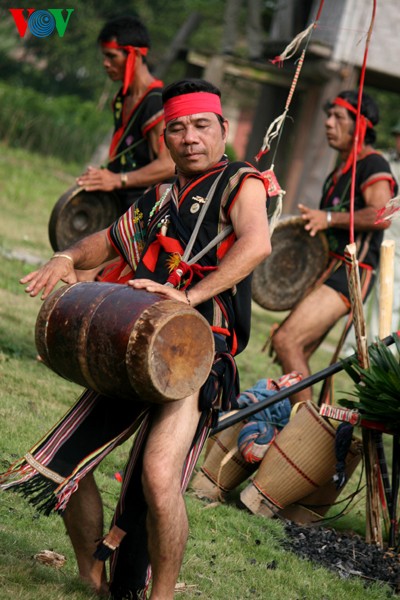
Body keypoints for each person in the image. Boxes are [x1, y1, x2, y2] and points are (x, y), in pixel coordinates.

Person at [1, 79, 271, 599]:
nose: (189, 137)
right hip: (137, 347)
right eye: (177, 127)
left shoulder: (243, 182)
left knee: (157, 475)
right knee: (66, 465)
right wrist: (64, 258)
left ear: (222, 130)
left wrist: (190, 298)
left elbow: (257, 244)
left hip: (197, 354)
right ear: (165, 137)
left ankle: (160, 595)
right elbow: (104, 242)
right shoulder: (160, 196)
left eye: (200, 126)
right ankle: (91, 576)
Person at [271, 90, 397, 405]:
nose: (328, 123)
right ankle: (312, 426)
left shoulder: (373, 163)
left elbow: (384, 215)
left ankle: (301, 427)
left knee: (287, 340)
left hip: (352, 271)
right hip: (328, 270)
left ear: (362, 124)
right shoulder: (337, 172)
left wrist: (328, 217)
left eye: (338, 117)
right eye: (329, 116)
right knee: (291, 350)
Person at [77, 15, 175, 213]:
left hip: (146, 209)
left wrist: (117, 179)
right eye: (104, 56)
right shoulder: (122, 98)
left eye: (112, 56)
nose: (105, 63)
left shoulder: (156, 103)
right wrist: (102, 176)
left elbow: (168, 164)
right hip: (119, 204)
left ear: (135, 55)